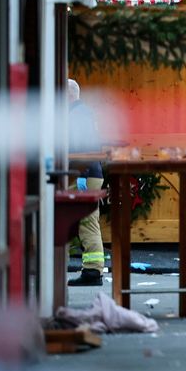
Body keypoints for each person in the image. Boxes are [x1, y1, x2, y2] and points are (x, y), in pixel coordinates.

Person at [68, 78, 106, 286]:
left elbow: (83, 147)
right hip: (89, 172)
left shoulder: (77, 115)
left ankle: (92, 272)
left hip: (84, 173)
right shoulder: (83, 113)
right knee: (87, 219)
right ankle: (93, 270)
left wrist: (81, 174)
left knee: (85, 219)